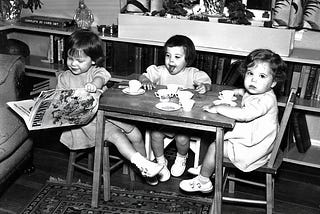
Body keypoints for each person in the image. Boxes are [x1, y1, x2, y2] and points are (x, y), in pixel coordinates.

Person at [56, 29, 163, 181]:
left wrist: (94, 84)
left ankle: (145, 168)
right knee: (118, 137)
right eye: (70, 58)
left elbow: (102, 77)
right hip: (86, 123)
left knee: (136, 134)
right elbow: (59, 101)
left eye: (79, 61)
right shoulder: (64, 78)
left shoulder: (96, 72)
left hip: (106, 115)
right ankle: (143, 164)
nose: (73, 64)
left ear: (93, 60)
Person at [179, 48, 287, 193]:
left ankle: (203, 181)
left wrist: (219, 108)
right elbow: (247, 93)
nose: (253, 79)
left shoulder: (267, 100)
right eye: (250, 73)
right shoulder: (260, 92)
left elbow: (245, 114)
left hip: (254, 150)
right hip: (256, 142)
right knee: (218, 138)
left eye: (262, 76)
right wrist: (237, 91)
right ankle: (208, 166)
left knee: (215, 146)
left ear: (273, 82)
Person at [139, 35, 212, 185]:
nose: (171, 61)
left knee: (182, 138)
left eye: (177, 57)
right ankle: (160, 161)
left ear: (188, 59)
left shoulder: (192, 73)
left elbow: (206, 81)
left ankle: (181, 158)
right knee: (156, 135)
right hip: (163, 119)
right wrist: (145, 80)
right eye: (168, 55)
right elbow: (144, 76)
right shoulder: (160, 71)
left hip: (184, 122)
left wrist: (205, 86)